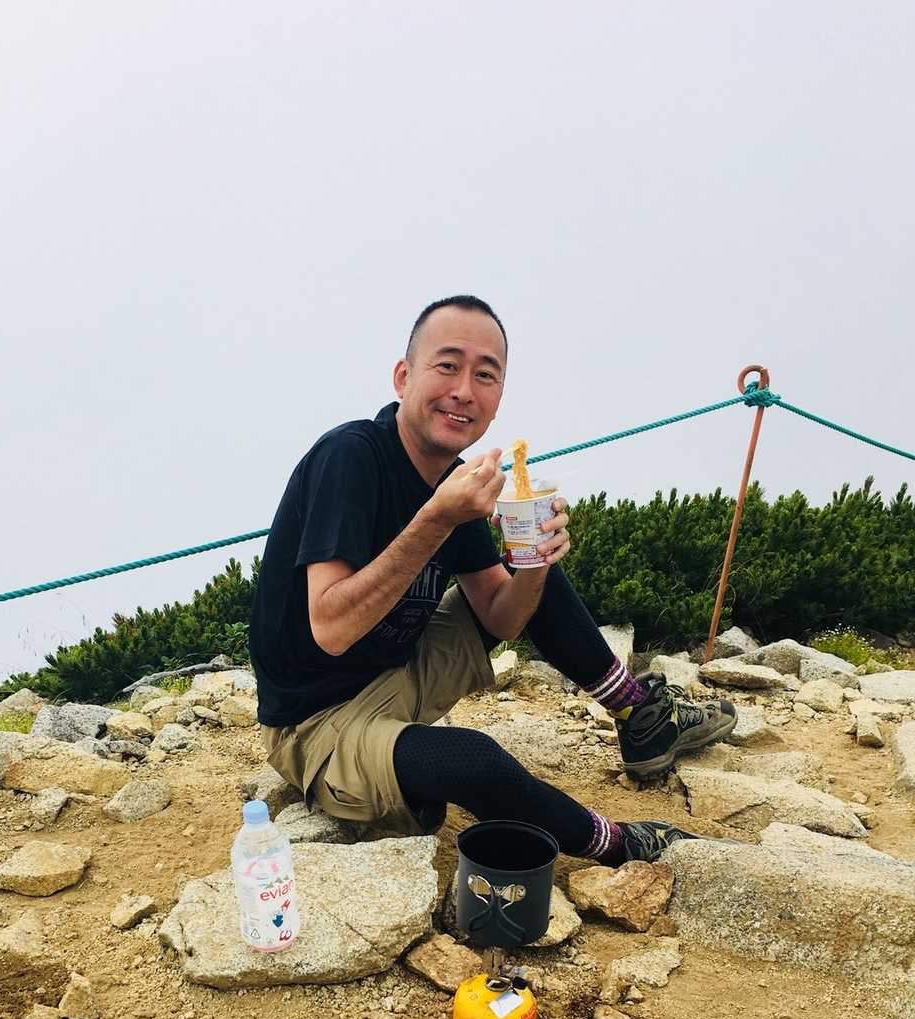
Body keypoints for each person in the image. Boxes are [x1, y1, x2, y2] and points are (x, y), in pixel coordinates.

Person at [248, 295, 735, 863]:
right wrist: (437, 519)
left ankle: (638, 714)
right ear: (403, 377)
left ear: (498, 398)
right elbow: (331, 628)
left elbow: (501, 617)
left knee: (530, 567)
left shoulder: (453, 481)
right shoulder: (351, 457)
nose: (464, 391)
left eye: (485, 375)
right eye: (447, 365)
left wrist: (534, 562)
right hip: (316, 722)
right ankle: (615, 843)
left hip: (397, 674)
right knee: (472, 762)